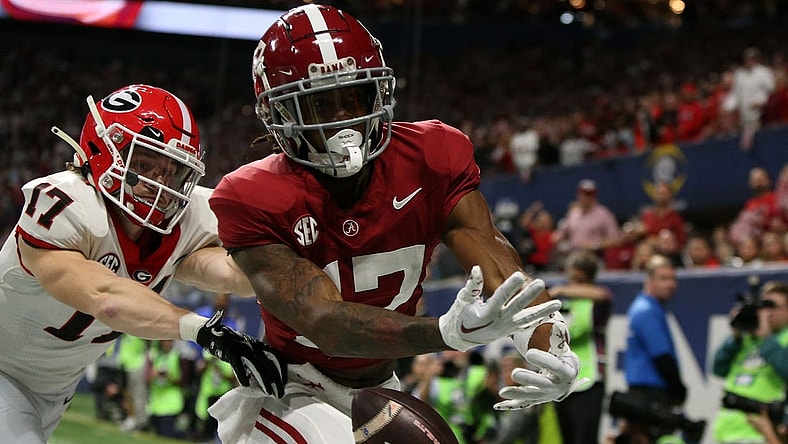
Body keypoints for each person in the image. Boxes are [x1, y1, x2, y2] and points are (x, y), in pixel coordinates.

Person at [207, 5, 582, 443]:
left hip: (381, 387)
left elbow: (498, 266)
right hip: (293, 389)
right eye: (319, 104)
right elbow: (325, 323)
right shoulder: (250, 195)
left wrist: (546, 342)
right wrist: (445, 332)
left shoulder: (431, 155)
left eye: (354, 97)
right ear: (277, 114)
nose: (343, 121)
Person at [0, 84, 286, 443]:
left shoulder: (183, 220)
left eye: (172, 170)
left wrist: (285, 252)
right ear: (104, 151)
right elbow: (107, 297)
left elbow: (238, 276)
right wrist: (206, 331)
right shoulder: (66, 206)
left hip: (53, 391)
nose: (160, 184)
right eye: (145, 165)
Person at [711, 280, 788, 444]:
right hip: (727, 429)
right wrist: (735, 336)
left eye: (772, 306)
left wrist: (767, 337)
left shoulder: (784, 338)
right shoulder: (748, 338)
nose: (766, 312)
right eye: (763, 305)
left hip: (761, 430)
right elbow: (718, 368)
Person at [549, 250, 612, 444]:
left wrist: (563, 290)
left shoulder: (594, 302)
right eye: (572, 278)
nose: (573, 284)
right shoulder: (562, 304)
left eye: (580, 280)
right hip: (562, 380)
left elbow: (604, 295)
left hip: (589, 379)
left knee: (585, 438)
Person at [623, 254, 687, 441]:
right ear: (649, 280)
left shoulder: (644, 307)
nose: (671, 284)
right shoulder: (647, 311)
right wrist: (678, 389)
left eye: (673, 279)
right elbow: (661, 356)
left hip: (644, 393)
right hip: (650, 395)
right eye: (663, 279)